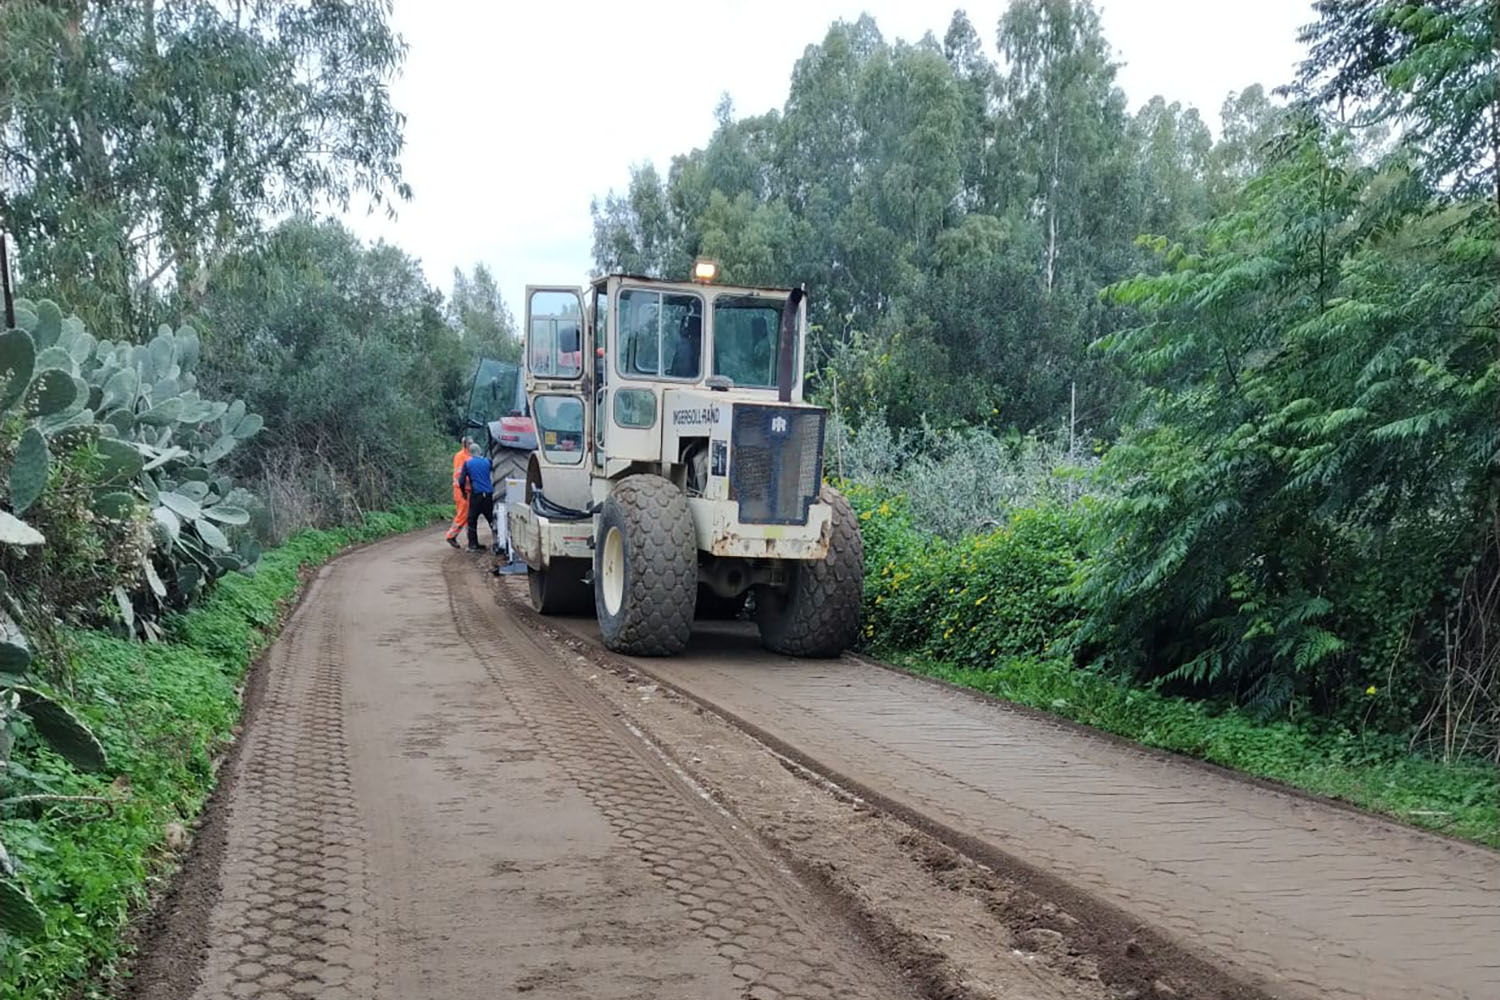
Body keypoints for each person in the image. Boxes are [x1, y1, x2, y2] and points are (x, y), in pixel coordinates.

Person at [458, 442, 497, 553]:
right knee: (491, 519)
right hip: (488, 495)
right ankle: (498, 542)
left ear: (470, 453)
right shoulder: (487, 462)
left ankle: (473, 545)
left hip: (476, 496)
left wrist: (464, 493)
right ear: (480, 452)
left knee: (472, 520)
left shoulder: (468, 463)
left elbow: (461, 481)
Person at [444, 436, 475, 549]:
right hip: (461, 490)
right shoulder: (460, 456)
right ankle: (451, 535)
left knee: (468, 516)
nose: (471, 444)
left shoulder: (470, 456)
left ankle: (471, 541)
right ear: (465, 444)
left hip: (467, 490)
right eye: (470, 443)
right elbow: (459, 475)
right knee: (463, 514)